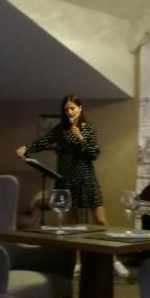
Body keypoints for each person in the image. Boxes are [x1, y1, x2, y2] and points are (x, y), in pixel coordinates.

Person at [15, 94, 129, 278]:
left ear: (80, 108)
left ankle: (114, 259)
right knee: (72, 226)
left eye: (72, 108)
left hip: (86, 180)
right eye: (66, 109)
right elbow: (41, 143)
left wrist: (81, 138)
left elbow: (93, 154)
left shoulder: (89, 129)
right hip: (65, 181)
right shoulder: (59, 131)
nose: (69, 112)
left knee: (101, 221)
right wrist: (25, 149)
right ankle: (77, 262)